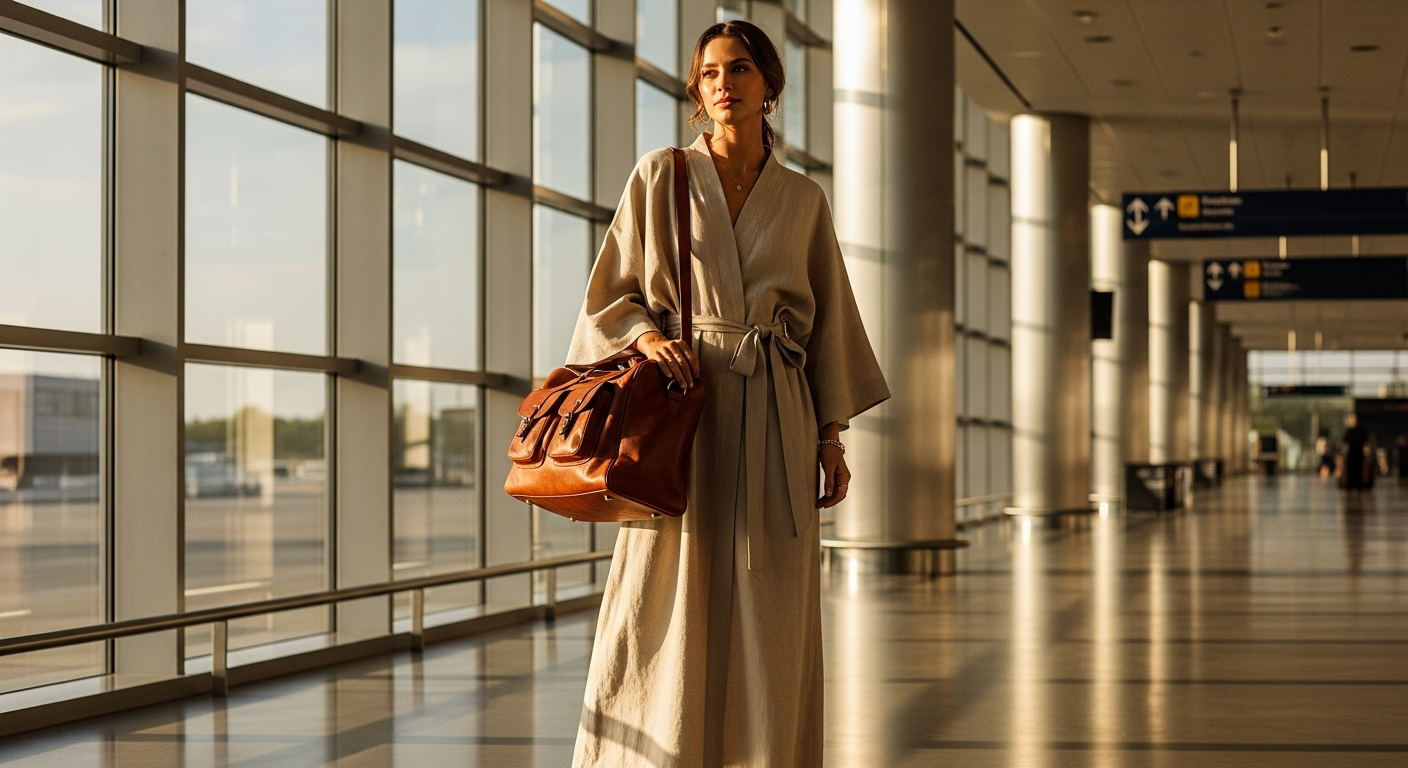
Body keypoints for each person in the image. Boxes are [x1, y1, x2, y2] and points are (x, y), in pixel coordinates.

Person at [567, 20, 890, 767]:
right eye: (709, 73)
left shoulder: (803, 199)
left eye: (739, 68)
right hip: (686, 408)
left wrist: (831, 438)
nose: (722, 84)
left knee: (772, 595)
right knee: (664, 588)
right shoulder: (661, 176)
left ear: (769, 84)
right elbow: (609, 295)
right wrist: (647, 338)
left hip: (778, 409)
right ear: (696, 89)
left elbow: (830, 321)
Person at [1339, 413, 1373, 490]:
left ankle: (1356, 484)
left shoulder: (1359, 430)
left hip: (1357, 452)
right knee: (1352, 468)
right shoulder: (1352, 430)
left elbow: (1366, 442)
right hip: (1353, 452)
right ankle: (1353, 484)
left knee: (1357, 468)